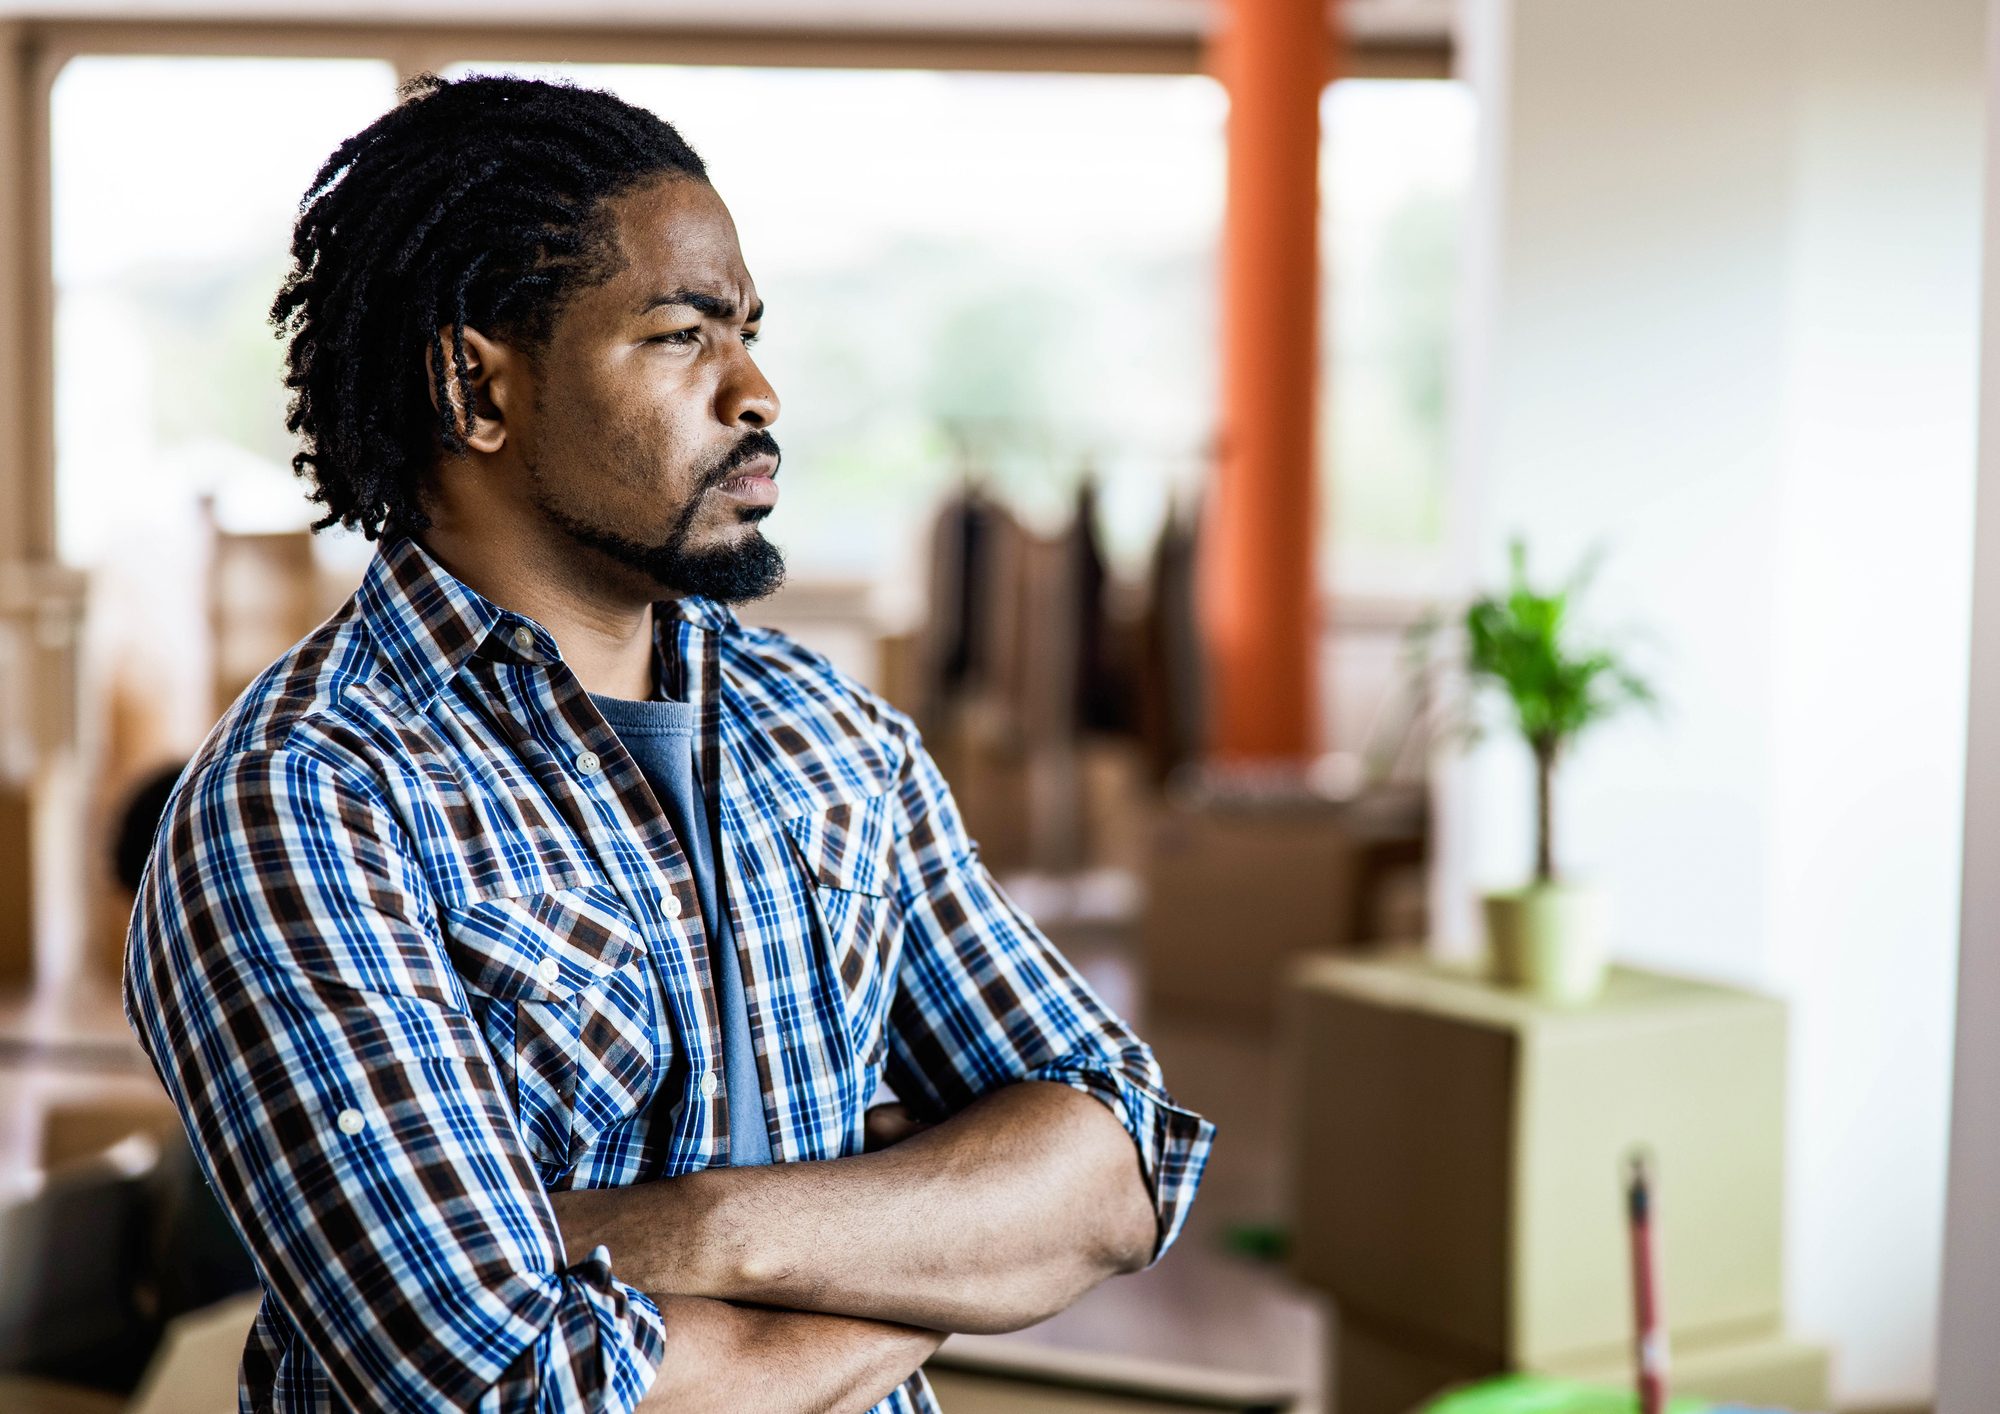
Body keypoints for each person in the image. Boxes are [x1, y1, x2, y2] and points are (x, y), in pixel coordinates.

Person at [123, 73, 1212, 1413]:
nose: (756, 390)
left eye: (748, 331)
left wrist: (700, 1227)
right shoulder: (305, 802)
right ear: (475, 384)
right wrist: (935, 1238)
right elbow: (517, 1385)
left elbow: (1118, 1165)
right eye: (682, 335)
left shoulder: (832, 735)